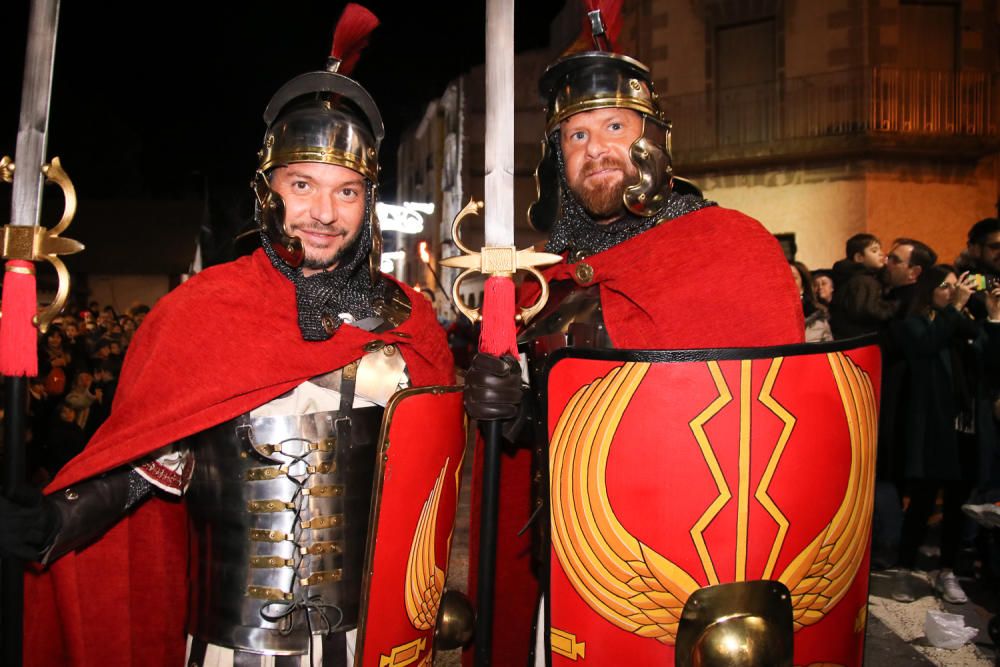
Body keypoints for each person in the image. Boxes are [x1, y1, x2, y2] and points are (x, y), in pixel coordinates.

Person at [3, 7, 456, 666]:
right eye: (302, 185)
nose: (325, 213)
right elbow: (148, 465)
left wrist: (510, 407)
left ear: (368, 200)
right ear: (266, 191)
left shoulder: (407, 323)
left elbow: (435, 475)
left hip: (371, 642)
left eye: (347, 191)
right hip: (227, 644)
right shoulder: (200, 314)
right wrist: (56, 520)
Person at [463, 5, 804, 664]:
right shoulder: (551, 281)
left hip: (692, 585)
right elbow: (567, 420)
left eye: (614, 126)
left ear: (653, 139)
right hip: (568, 566)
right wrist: (510, 402)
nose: (597, 150)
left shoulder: (728, 245)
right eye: (577, 137)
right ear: (558, 161)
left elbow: (760, 433)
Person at [889, 266, 1000, 604]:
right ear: (927, 291)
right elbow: (925, 346)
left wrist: (994, 316)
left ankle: (947, 570)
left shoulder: (964, 327)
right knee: (922, 502)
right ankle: (905, 571)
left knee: (957, 504)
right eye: (945, 287)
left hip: (966, 428)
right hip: (934, 430)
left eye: (957, 287)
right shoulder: (914, 325)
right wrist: (955, 308)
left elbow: (992, 362)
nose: (953, 292)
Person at [828, 233, 895, 339]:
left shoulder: (853, 277)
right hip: (860, 339)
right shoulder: (863, 281)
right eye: (874, 251)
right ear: (859, 257)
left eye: (880, 250)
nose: (881, 254)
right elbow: (868, 311)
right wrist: (894, 307)